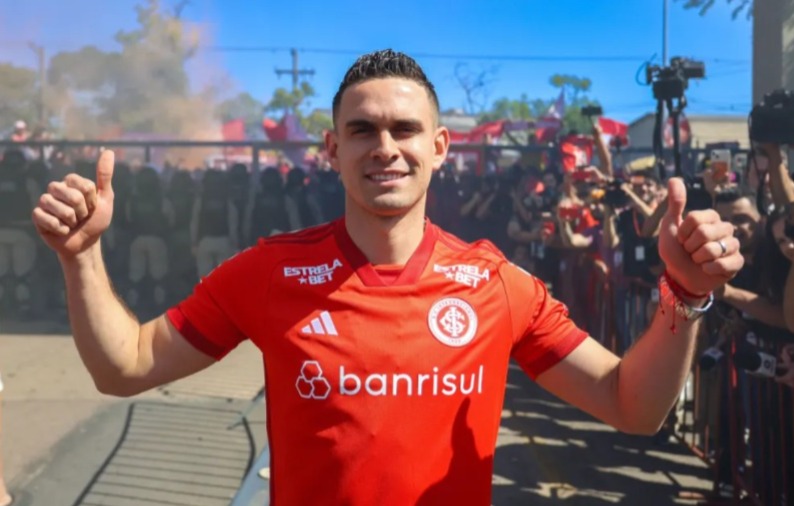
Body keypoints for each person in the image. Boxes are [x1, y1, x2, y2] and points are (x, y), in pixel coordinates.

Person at [31, 50, 743, 505]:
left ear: (440, 148)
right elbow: (125, 367)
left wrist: (684, 295)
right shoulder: (267, 272)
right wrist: (81, 256)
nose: (385, 147)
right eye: (363, 130)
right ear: (331, 149)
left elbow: (631, 406)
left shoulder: (497, 284)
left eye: (404, 130)